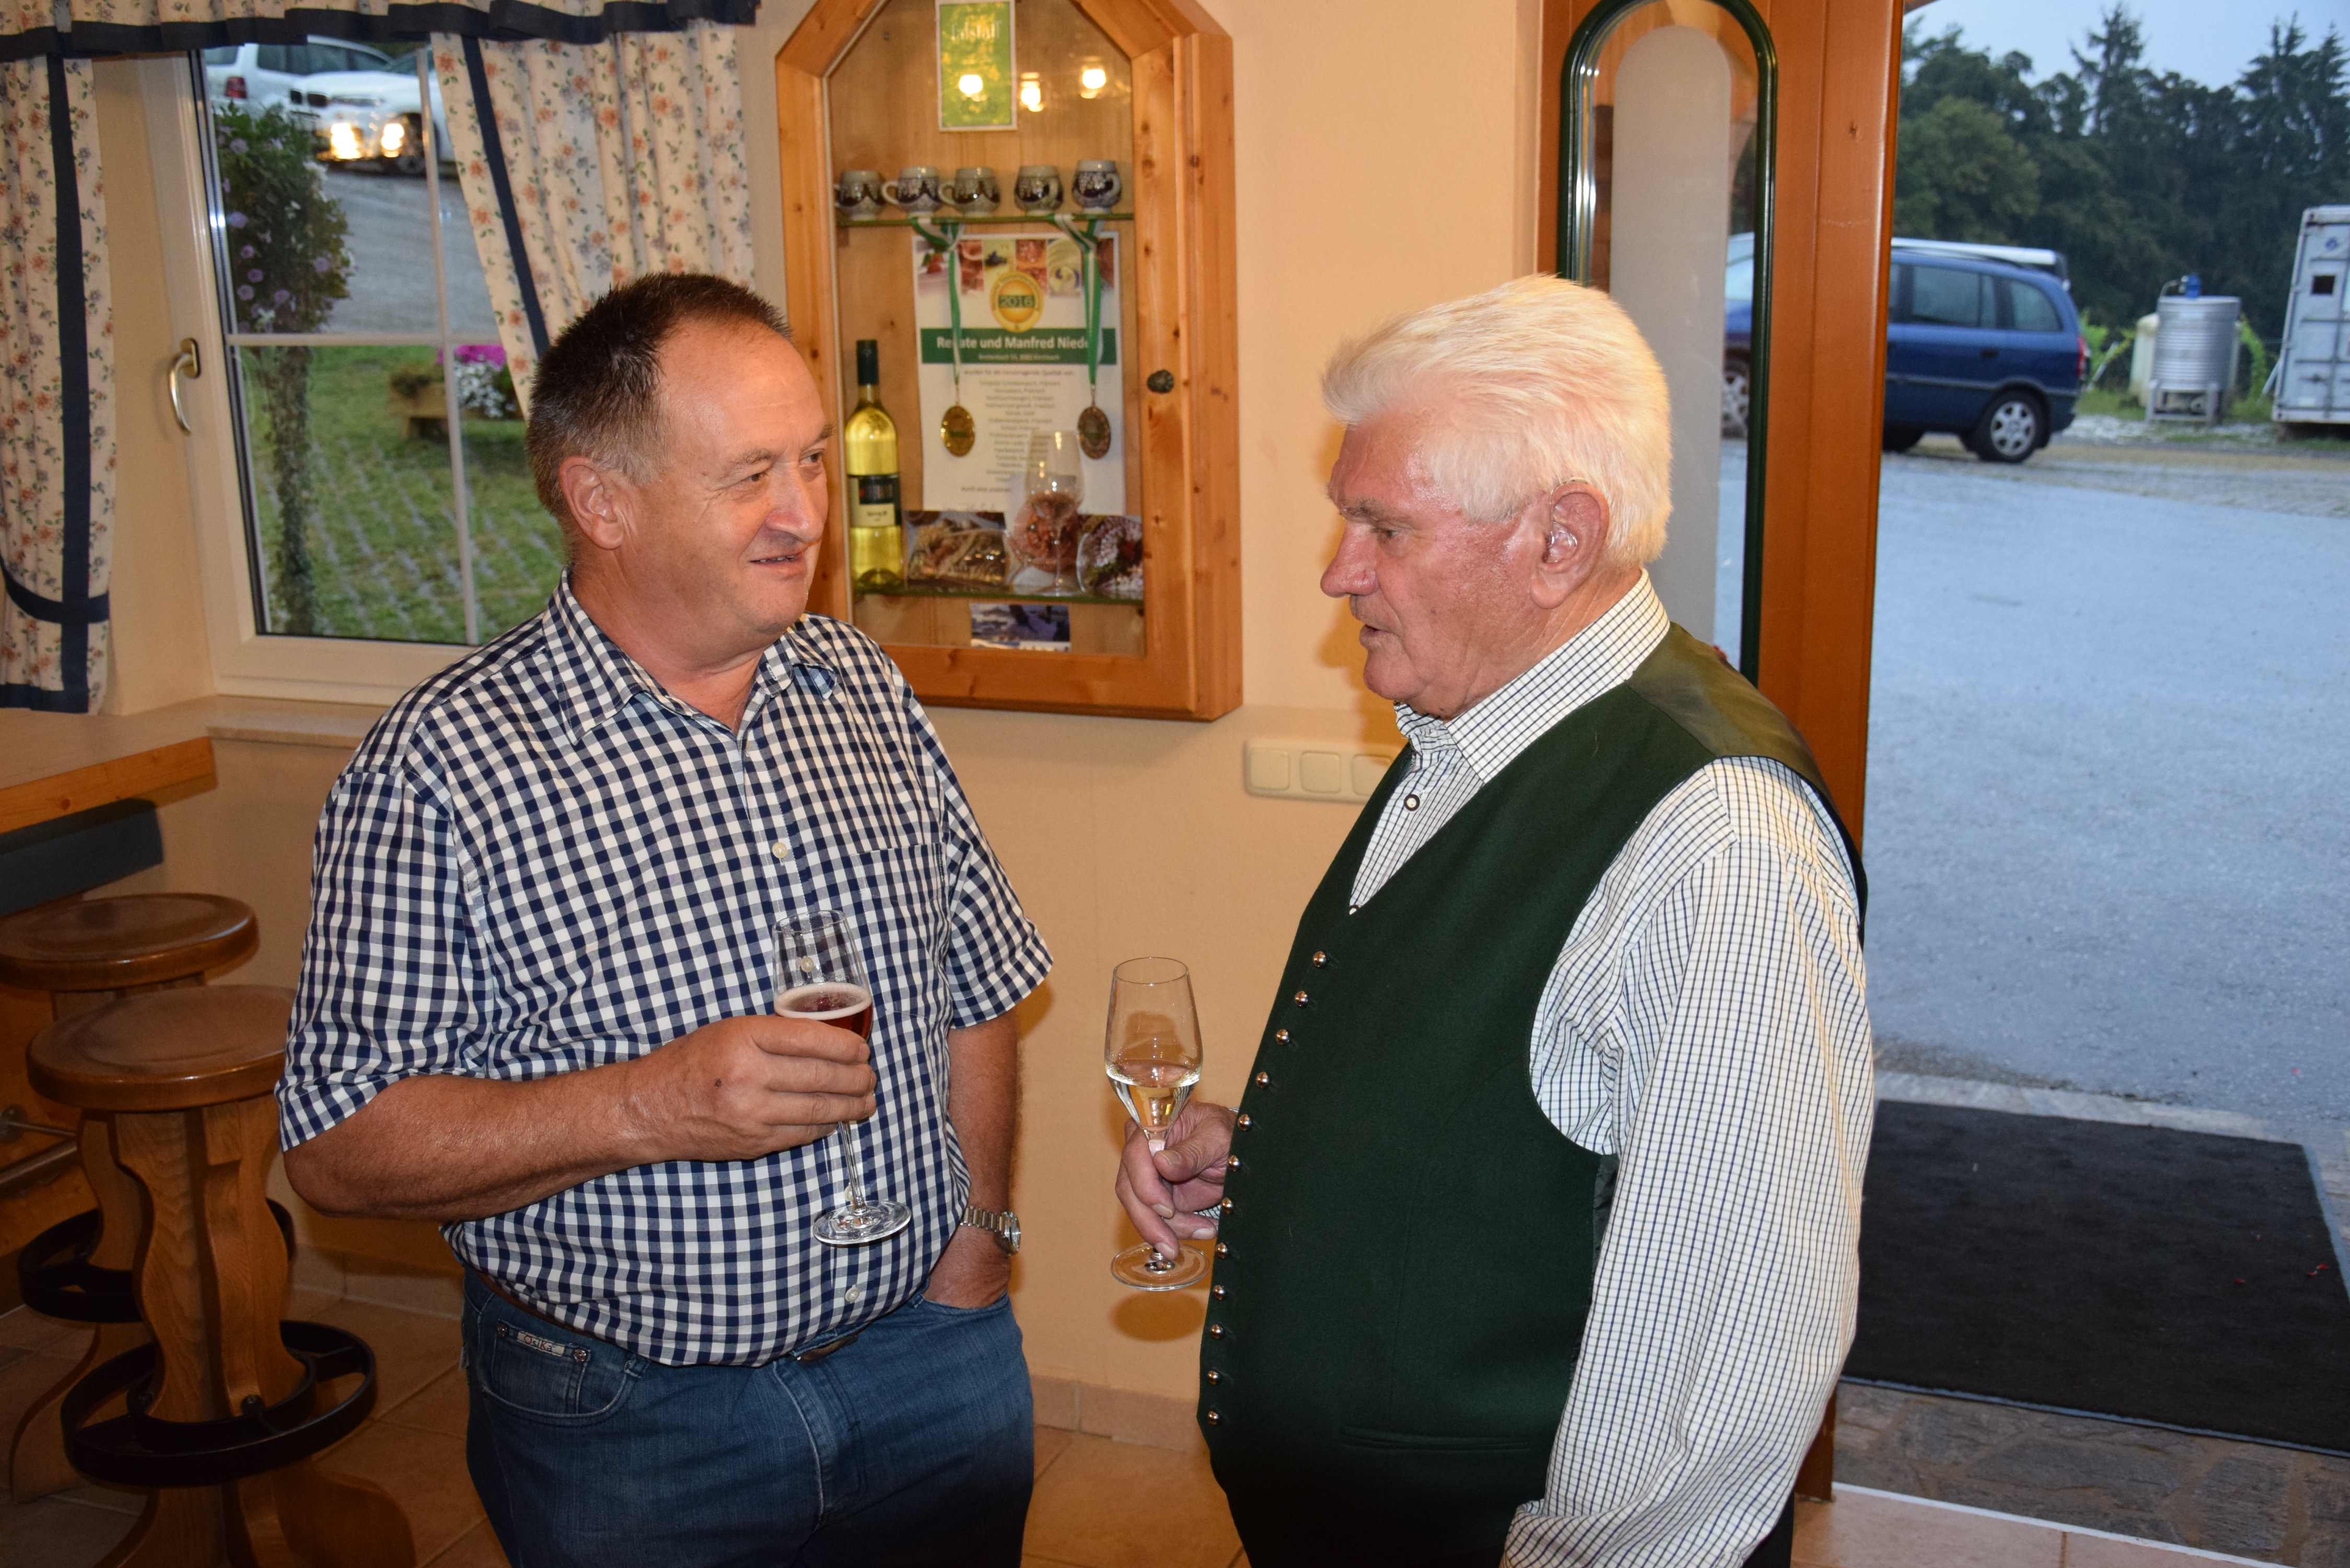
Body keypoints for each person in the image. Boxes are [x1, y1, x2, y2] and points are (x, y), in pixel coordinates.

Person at [278, 273, 1051, 1567]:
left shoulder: (858, 685)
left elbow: (977, 981)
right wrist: (649, 1105)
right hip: (629, 1423)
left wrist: (975, 1251)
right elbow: (338, 1148)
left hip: (930, 1362)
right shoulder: (443, 767)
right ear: (602, 501)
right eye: (749, 475)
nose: (804, 512)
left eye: (811, 460)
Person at [1115, 275, 1872, 1568]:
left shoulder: (1720, 843)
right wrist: (1283, 1168)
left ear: (1560, 539)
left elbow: (1727, 1348)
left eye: (1384, 528)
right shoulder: (1478, 732)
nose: (1339, 570)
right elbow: (1519, 1129)